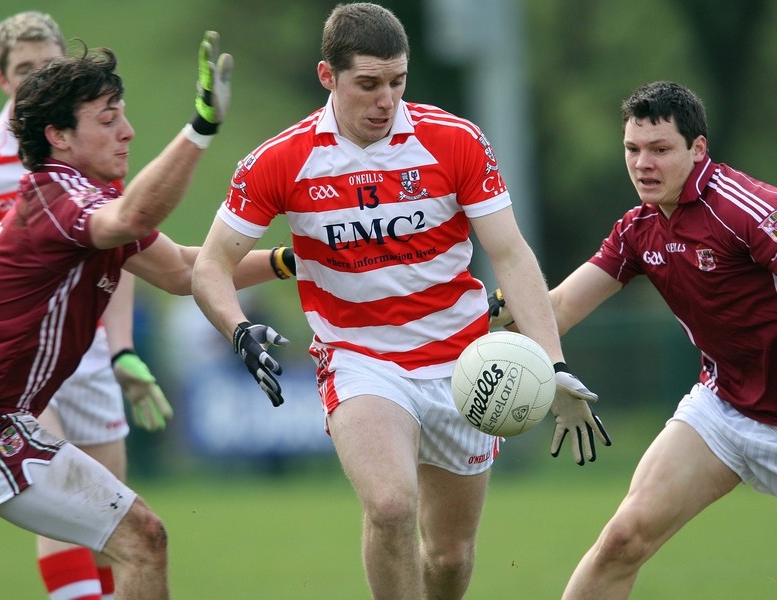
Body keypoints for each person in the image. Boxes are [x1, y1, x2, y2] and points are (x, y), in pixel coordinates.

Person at [191, 4, 609, 599]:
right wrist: (237, 329)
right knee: (389, 506)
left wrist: (555, 362)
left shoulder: (454, 142)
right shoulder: (280, 160)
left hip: (465, 367)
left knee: (448, 555)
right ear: (327, 77)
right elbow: (211, 264)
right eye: (368, 84)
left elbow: (511, 256)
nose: (385, 100)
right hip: (360, 359)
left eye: (397, 82)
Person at [0, 32, 293, 600]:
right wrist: (200, 128)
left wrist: (291, 261)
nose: (128, 132)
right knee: (140, 537)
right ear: (59, 136)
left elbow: (181, 272)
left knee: (140, 537)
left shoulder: (83, 198)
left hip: (0, 424)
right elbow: (132, 216)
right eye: (108, 119)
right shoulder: (60, 201)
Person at [489, 80, 777, 599]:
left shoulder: (745, 210)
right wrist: (485, 311)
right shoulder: (637, 230)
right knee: (622, 539)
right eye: (633, 149)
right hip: (725, 407)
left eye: (660, 149)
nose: (643, 163)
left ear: (697, 149)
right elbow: (558, 308)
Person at [0, 12, 170, 600]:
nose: (38, 76)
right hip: (5, 355)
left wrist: (124, 351)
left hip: (77, 346)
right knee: (73, 504)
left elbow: (127, 257)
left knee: (114, 517)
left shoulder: (96, 167)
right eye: (25, 69)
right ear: (5, 81)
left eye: (49, 66)